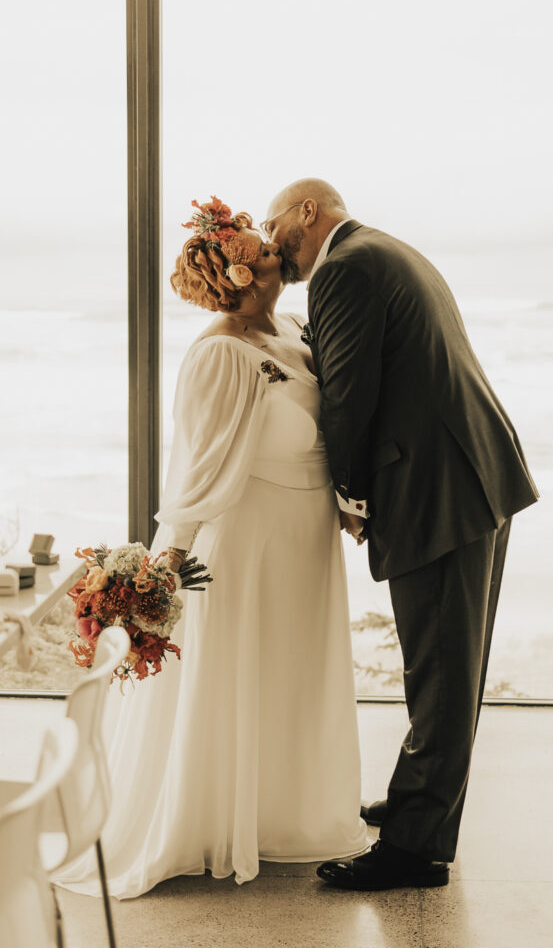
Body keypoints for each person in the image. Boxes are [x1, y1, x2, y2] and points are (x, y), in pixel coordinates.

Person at [56, 197, 368, 898]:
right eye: (263, 250)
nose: (277, 255)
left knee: (293, 672)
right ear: (241, 270)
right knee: (243, 672)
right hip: (246, 543)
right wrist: (168, 560)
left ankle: (285, 813)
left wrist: (348, 502)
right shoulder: (219, 355)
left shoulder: (292, 328)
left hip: (303, 543)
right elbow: (196, 465)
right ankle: (214, 820)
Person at [264, 179, 539, 891]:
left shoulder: (346, 267)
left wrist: (348, 491)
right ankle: (417, 804)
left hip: (437, 484)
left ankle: (414, 850)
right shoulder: (381, 251)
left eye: (273, 227)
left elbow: (350, 393)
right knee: (449, 664)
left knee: (441, 669)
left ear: (306, 211)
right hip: (469, 470)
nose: (270, 246)